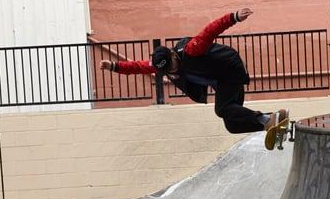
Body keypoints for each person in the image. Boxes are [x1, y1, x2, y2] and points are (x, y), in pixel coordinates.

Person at [99, 8, 289, 147]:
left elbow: (210, 31)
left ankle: (267, 119)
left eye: (173, 65)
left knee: (222, 109)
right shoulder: (160, 66)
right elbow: (137, 67)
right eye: (168, 71)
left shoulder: (191, 49)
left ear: (173, 55)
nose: (173, 71)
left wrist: (234, 17)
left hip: (228, 69)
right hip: (220, 80)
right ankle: (272, 123)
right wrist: (114, 67)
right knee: (232, 124)